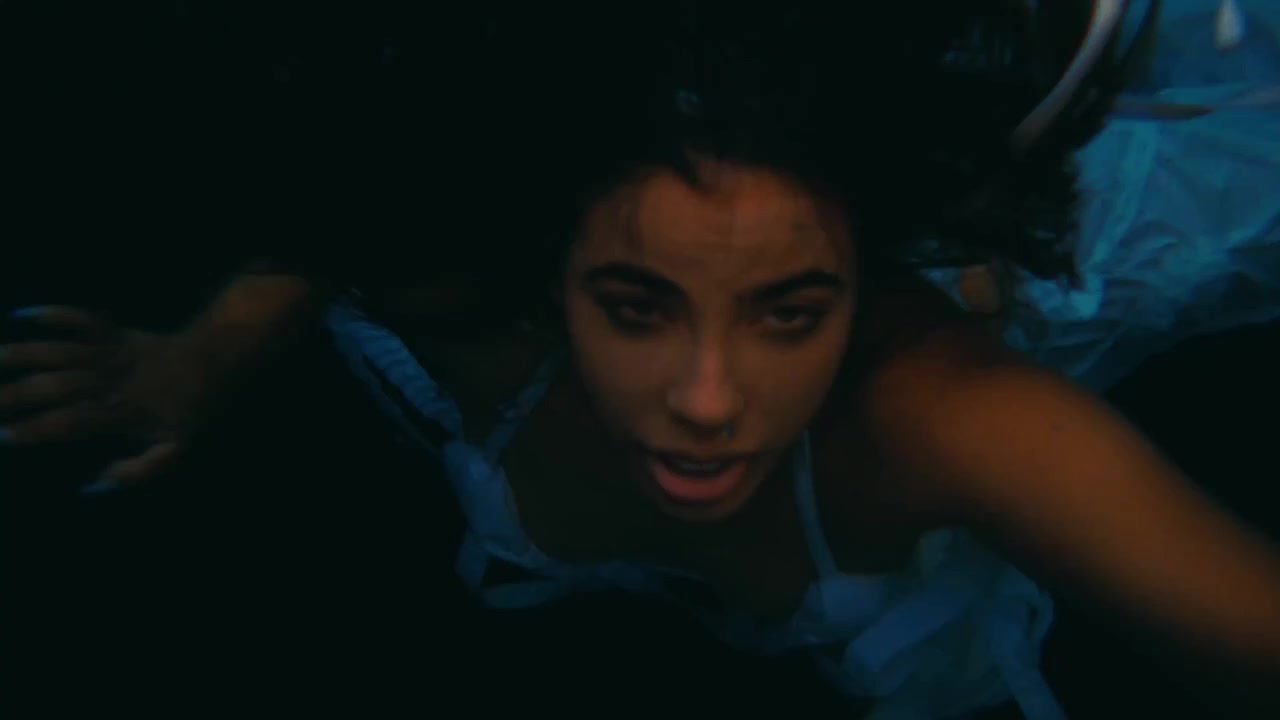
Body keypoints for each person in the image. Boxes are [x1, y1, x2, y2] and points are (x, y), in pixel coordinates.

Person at [3, 2, 1279, 718]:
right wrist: (207, 354)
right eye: (633, 306)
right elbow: (354, 214)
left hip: (1117, 224)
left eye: (791, 314)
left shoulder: (943, 415)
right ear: (544, 265)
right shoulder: (451, 286)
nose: (706, 405)